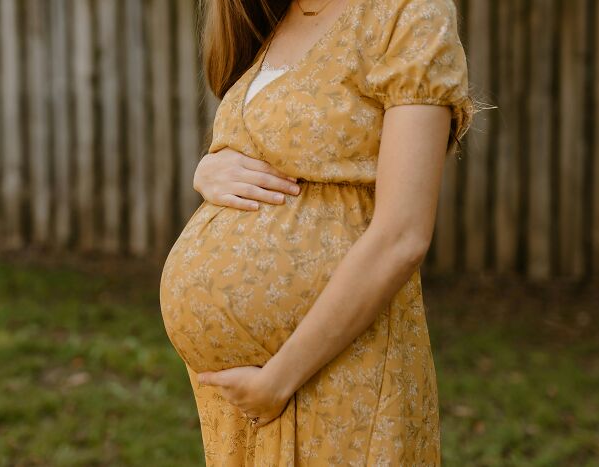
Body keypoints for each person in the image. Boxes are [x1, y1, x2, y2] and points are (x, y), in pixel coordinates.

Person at [159, 0, 479, 464]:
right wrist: (208, 169)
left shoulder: (407, 13)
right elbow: (279, 150)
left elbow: (402, 235)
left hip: (334, 370)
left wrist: (277, 380)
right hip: (240, 402)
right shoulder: (275, 16)